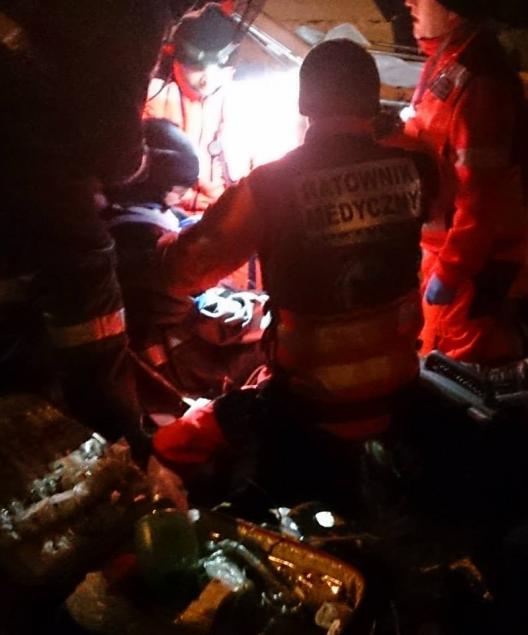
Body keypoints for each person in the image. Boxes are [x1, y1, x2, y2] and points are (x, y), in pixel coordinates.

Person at [152, 39, 441, 507]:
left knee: (173, 442)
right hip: (400, 389)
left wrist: (163, 243)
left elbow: (188, 272)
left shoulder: (272, 184)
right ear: (373, 103)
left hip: (309, 403)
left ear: (305, 104)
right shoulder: (416, 170)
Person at [0, 2, 194, 461]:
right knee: (98, 371)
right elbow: (114, 151)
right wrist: (140, 162)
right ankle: (129, 476)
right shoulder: (138, 11)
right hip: (49, 205)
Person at [396, 0, 528, 366]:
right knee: (432, 355)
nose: (409, 2)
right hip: (446, 252)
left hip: (471, 262)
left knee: (450, 368)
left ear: (454, 8)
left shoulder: (481, 83)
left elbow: (481, 199)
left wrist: (451, 272)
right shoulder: (447, 61)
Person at [103, 118, 266, 397]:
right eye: (176, 191)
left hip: (164, 355)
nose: (179, 199)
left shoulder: (117, 224)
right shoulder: (141, 239)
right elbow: (202, 315)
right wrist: (262, 313)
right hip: (174, 365)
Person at [145, 3, 241, 213]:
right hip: (160, 212)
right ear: (177, 60)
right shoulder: (152, 96)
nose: (207, 78)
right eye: (197, 67)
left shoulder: (247, 105)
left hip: (222, 218)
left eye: (217, 68)